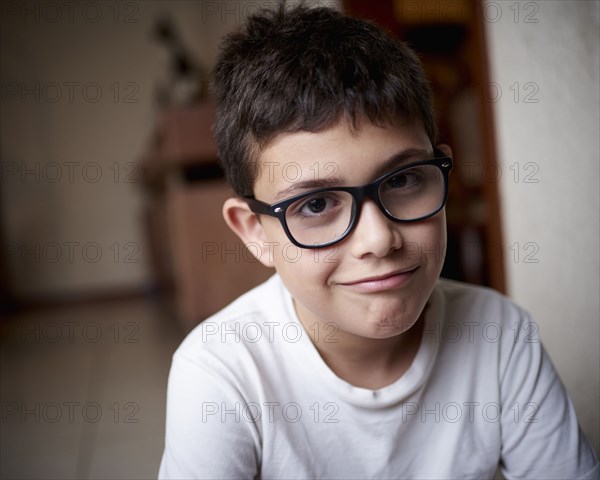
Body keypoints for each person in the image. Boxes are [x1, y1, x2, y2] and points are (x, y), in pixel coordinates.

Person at [159, 4, 598, 479]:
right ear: (253, 232)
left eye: (405, 180)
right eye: (315, 205)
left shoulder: (499, 335)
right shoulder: (221, 372)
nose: (378, 239)